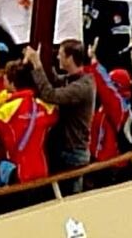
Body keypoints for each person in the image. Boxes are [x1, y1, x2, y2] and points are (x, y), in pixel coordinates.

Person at [27, 41, 94, 194]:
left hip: (73, 154)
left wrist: (38, 65)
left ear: (70, 58)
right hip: (64, 151)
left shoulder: (82, 87)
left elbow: (50, 95)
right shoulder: (73, 80)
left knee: (71, 201)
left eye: (60, 54)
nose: (57, 57)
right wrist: (44, 63)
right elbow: (56, 81)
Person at [0, 59, 58, 184]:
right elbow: (54, 115)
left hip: (20, 172)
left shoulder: (9, 109)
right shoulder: (43, 106)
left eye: (5, 79)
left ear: (12, 83)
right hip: (42, 169)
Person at [85, 43, 132, 189]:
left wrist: (94, 62)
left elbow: (105, 86)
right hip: (100, 161)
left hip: (110, 166)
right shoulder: (110, 107)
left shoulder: (119, 108)